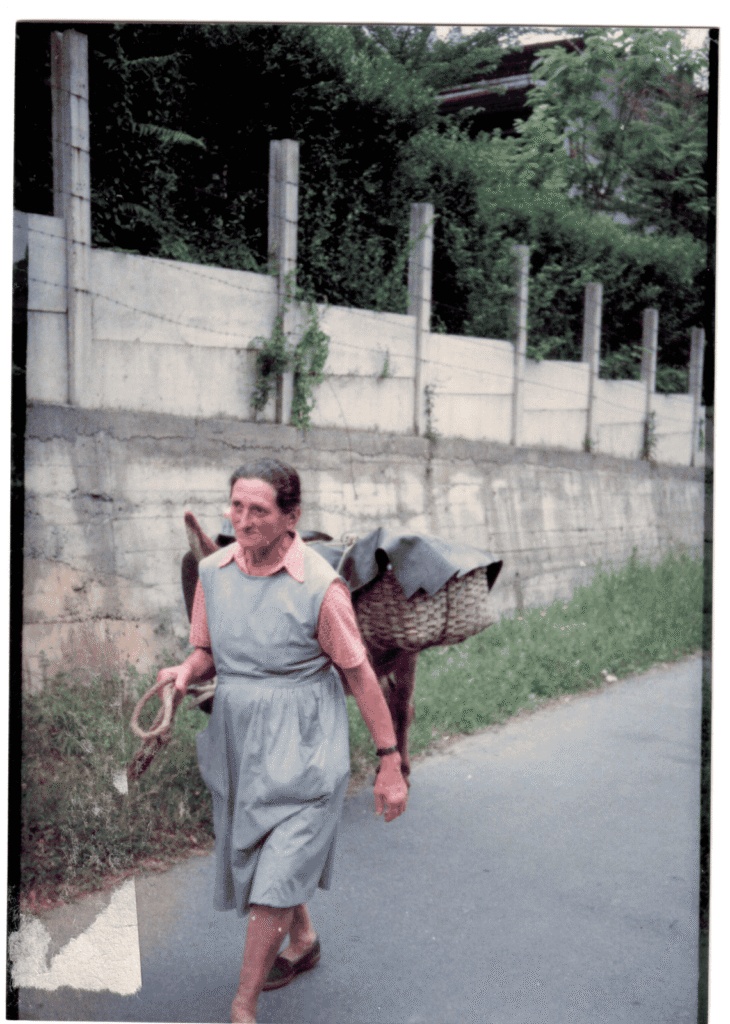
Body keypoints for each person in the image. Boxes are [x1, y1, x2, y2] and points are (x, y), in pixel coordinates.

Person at [155, 458, 409, 1023]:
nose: (242, 521)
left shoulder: (320, 588)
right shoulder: (214, 573)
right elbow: (206, 650)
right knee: (259, 853)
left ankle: (242, 1007)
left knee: (276, 872)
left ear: (291, 517)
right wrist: (183, 672)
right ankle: (304, 942)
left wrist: (389, 762)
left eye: (259, 511)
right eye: (236, 506)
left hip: (307, 745)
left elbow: (360, 675)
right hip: (240, 741)